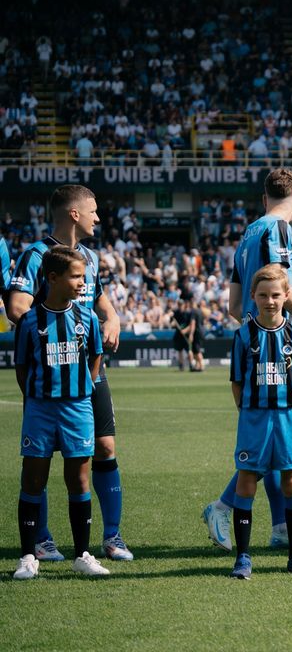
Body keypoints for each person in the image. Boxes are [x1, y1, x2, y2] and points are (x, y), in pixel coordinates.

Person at [203, 169, 292, 552]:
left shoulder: (248, 234)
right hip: (274, 342)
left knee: (273, 446)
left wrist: (250, 327)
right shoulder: (279, 230)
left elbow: (233, 305)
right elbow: (282, 286)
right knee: (276, 444)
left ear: (263, 199)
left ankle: (279, 528)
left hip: (253, 338)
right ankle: (222, 507)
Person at [6, 185, 131, 562]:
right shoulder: (36, 255)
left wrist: (113, 319)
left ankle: (112, 537)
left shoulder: (89, 258)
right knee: (40, 461)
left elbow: (101, 303)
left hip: (88, 373)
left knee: (104, 448)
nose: (99, 217)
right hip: (50, 374)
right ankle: (42, 539)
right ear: (74, 214)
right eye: (93, 210)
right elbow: (17, 307)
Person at [12, 246, 109, 580]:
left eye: (83, 275)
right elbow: (22, 367)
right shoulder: (29, 321)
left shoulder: (87, 318)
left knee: (79, 478)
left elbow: (95, 359)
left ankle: (82, 554)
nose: (82, 282)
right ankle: (28, 556)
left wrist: (81, 388)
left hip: (77, 407)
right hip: (40, 408)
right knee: (33, 479)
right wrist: (39, 396)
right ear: (52, 278)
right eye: (75, 276)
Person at [227, 264, 292, 578]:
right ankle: (242, 557)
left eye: (276, 295)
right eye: (263, 295)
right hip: (255, 418)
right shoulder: (243, 336)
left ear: (286, 296)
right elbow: (237, 380)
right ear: (252, 296)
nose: (270, 301)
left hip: (288, 416)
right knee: (247, 481)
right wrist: (247, 410)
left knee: (291, 481)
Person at [171, 294, 201, 372]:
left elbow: (191, 325)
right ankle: (181, 366)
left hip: (186, 335)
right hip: (178, 335)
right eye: (179, 304)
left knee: (189, 351)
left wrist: (185, 330)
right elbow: (172, 323)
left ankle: (191, 365)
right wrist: (173, 324)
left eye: (181, 304)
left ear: (184, 305)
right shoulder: (176, 313)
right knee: (179, 350)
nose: (180, 306)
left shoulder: (188, 313)